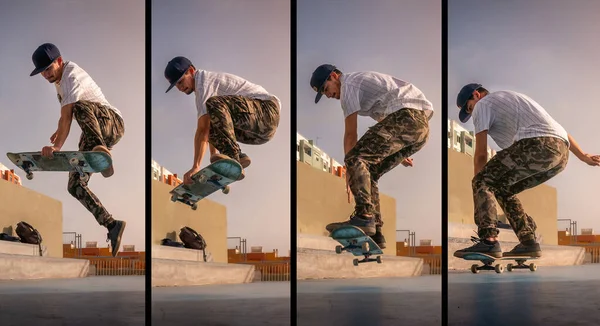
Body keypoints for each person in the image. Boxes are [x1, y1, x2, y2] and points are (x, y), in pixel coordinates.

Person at [453, 83, 600, 258]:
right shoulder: (514, 102)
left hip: (536, 144)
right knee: (502, 189)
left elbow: (481, 154)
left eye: (470, 108)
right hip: (560, 156)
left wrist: (479, 184)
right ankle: (528, 241)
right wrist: (582, 156)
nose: (472, 113)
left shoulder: (484, 104)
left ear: (476, 95)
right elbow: (562, 132)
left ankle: (488, 241)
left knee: (483, 180)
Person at [310, 64, 434, 249]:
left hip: (407, 117)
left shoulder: (349, 85)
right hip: (418, 129)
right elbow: (385, 124)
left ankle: (364, 216)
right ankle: (376, 231)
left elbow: (351, 135)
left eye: (326, 89)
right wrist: (399, 152)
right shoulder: (366, 91)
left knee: (355, 158)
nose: (329, 95)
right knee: (371, 172)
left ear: (334, 76)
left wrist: (349, 169)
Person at [30, 43, 126, 257]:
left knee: (80, 107)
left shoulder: (71, 75)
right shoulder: (59, 83)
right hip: (94, 134)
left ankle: (101, 152)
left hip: (112, 124)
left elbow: (69, 114)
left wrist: (57, 147)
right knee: (74, 186)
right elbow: (64, 114)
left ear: (60, 61)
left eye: (48, 69)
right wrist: (58, 130)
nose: (46, 75)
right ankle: (112, 225)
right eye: (42, 72)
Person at [164, 56, 281, 184]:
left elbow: (203, 130)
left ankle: (232, 155)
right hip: (260, 133)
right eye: (176, 85)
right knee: (210, 119)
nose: (179, 88)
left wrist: (196, 166)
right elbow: (212, 125)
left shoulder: (203, 83)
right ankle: (237, 157)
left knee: (210, 110)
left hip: (266, 111)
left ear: (191, 71)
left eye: (180, 82)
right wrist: (213, 158)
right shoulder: (202, 90)